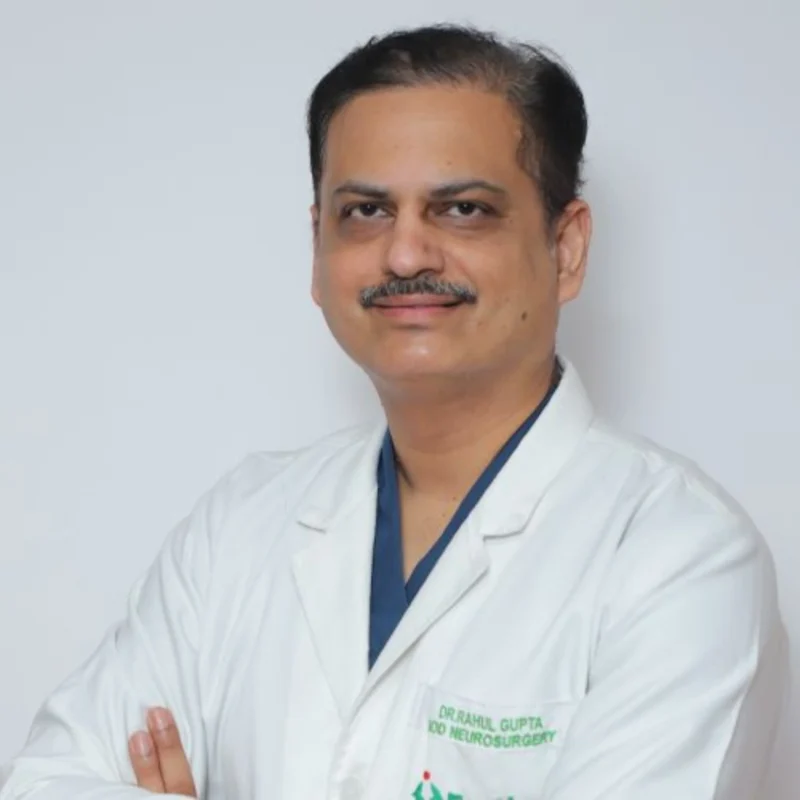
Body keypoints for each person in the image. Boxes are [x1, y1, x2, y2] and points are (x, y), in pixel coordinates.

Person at [0, 23, 789, 800]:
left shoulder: (680, 557)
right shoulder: (239, 527)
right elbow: (42, 785)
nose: (406, 254)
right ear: (318, 249)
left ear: (567, 247)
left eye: (463, 209)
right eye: (366, 212)